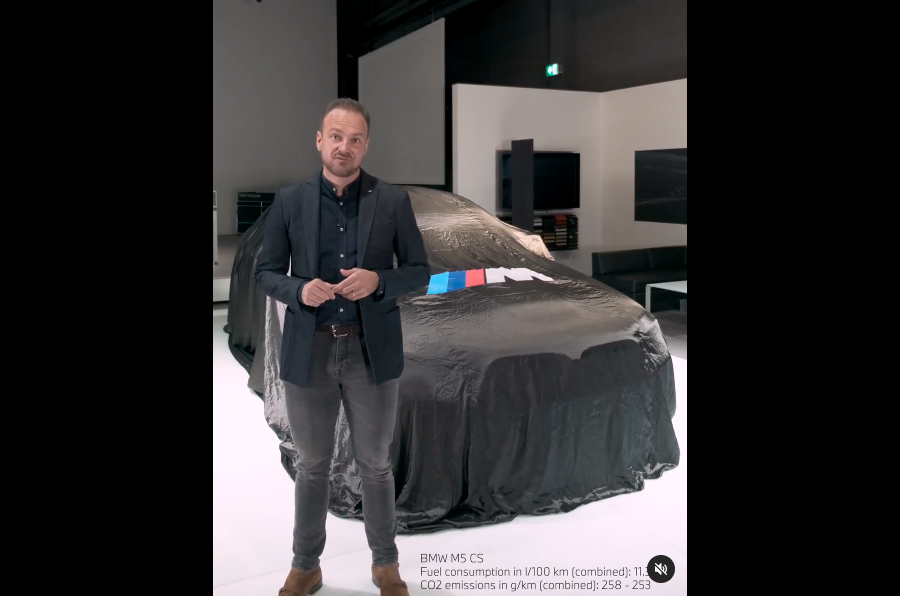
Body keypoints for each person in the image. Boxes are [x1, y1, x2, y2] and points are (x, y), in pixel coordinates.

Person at [255, 98, 429, 596]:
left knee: (375, 464)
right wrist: (297, 290)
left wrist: (379, 280)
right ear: (319, 140)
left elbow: (419, 271)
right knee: (312, 466)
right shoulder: (289, 200)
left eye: (354, 139)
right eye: (336, 137)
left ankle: (385, 564)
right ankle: (305, 566)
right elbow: (265, 271)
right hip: (309, 350)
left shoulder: (391, 200)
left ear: (366, 145)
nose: (344, 147)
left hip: (370, 352)